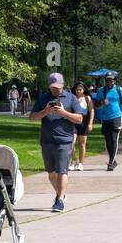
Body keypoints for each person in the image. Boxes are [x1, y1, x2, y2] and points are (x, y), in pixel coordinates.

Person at [29, 72, 82, 212]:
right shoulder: (42, 99)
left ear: (63, 85)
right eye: (53, 87)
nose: (56, 90)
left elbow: (79, 119)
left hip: (64, 141)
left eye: (58, 87)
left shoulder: (71, 98)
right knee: (51, 172)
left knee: (62, 171)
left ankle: (59, 200)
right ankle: (61, 194)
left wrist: (64, 113)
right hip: (46, 140)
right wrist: (45, 111)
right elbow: (32, 118)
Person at [91, 72, 122, 171]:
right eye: (108, 80)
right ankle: (113, 160)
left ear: (115, 80)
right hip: (105, 118)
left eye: (111, 80)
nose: (109, 81)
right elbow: (96, 105)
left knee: (114, 139)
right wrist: (101, 103)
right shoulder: (101, 91)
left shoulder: (119, 90)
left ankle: (111, 162)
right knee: (108, 141)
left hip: (116, 117)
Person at [70, 80, 93, 171]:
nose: (78, 91)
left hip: (84, 121)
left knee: (82, 144)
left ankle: (80, 163)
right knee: (71, 143)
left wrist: (90, 123)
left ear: (84, 90)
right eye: (77, 89)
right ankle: (74, 160)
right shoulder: (72, 98)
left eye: (80, 89)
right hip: (74, 121)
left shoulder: (87, 98)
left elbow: (92, 111)